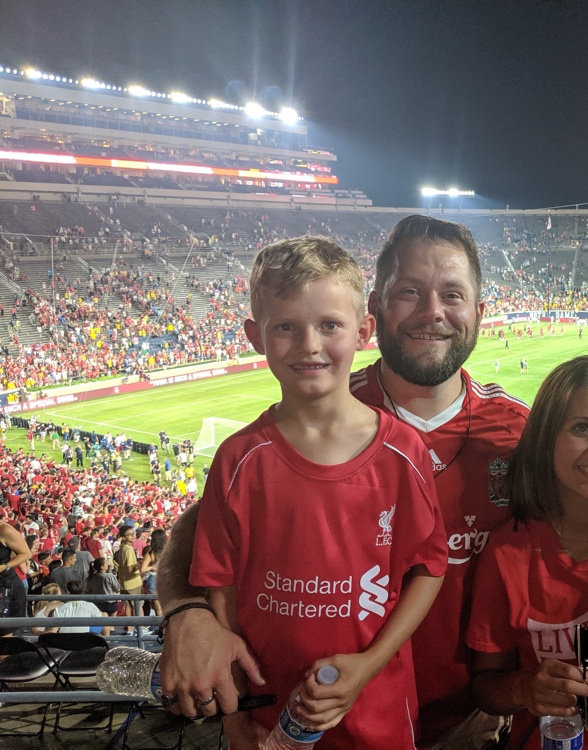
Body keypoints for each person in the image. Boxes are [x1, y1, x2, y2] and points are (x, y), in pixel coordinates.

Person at [156, 216, 530, 748]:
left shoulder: (523, 432)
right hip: (307, 716)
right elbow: (200, 540)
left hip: (469, 719)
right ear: (374, 310)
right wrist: (185, 613)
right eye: (409, 292)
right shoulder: (317, 408)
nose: (432, 312)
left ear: (478, 312)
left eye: (452, 294)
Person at [189, 235, 447, 749]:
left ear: (364, 331)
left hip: (378, 715)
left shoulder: (403, 452)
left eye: (329, 325)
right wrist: (236, 719)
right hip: (269, 717)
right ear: (254, 336)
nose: (309, 344)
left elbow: (429, 568)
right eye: (286, 326)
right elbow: (222, 591)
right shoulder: (239, 461)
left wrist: (370, 665)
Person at [466, 356, 588, 748]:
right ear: (546, 437)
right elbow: (485, 686)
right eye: (582, 429)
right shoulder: (508, 554)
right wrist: (525, 688)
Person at [0, 520, 31, 634]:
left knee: (4, 634)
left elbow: (26, 553)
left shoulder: (4, 529)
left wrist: (5, 566)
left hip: (6, 587)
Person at [113, 525, 142, 631]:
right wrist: (140, 564)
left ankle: (130, 629)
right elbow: (130, 569)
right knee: (138, 606)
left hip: (125, 582)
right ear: (124, 537)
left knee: (128, 606)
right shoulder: (128, 549)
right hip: (133, 582)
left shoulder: (122, 548)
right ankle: (141, 628)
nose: (134, 536)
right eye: (130, 535)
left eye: (134, 534)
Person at [138, 528, 166, 617]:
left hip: (154, 580)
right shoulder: (168, 551)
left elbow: (142, 569)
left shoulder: (151, 554)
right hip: (166, 578)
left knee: (157, 606)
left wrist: (152, 567)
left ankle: (160, 627)